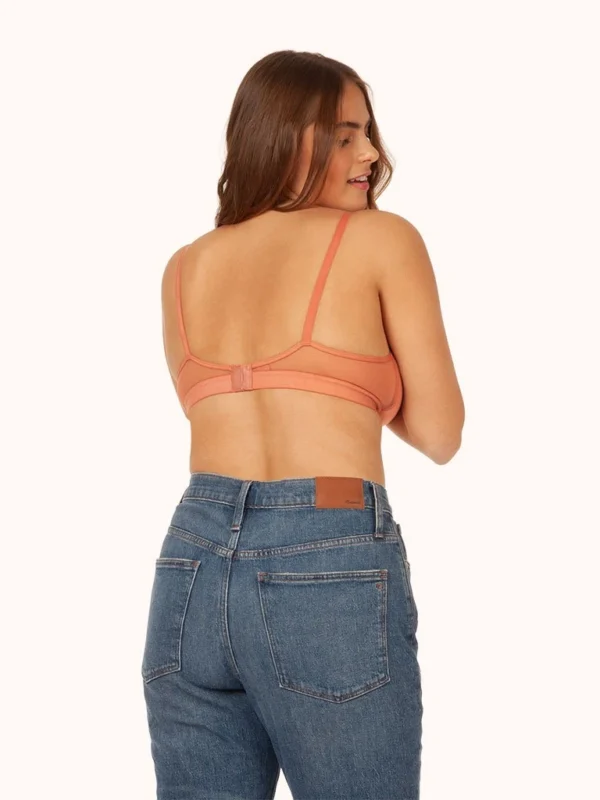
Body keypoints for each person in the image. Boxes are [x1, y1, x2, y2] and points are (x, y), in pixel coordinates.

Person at [141, 49, 464, 800]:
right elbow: (441, 433)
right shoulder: (383, 240)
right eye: (345, 136)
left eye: (368, 133)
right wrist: (366, 383)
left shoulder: (186, 265)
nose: (372, 154)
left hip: (192, 558)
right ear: (286, 140)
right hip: (326, 541)